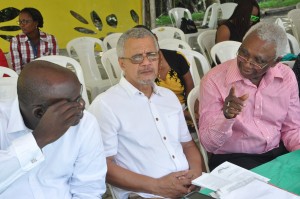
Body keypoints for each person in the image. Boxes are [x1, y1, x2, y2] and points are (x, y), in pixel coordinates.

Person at [88, 27, 202, 199]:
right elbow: (103, 165)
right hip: (145, 194)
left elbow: (187, 144)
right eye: (137, 57)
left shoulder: (169, 97)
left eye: (152, 55)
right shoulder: (106, 105)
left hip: (188, 189)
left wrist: (196, 174)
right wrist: (158, 187)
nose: (146, 62)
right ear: (122, 63)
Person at [199, 22, 300, 171]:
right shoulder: (214, 80)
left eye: (258, 61)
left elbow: (292, 129)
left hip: (278, 151)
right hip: (235, 158)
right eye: (243, 53)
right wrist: (226, 117)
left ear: (275, 62)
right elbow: (209, 144)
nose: (246, 64)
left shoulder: (286, 77)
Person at [0, 60, 107, 198]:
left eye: (79, 95)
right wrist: (38, 139)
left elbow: (89, 189)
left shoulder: (85, 124)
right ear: (39, 113)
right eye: (71, 103)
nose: (82, 104)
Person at [134, 25, 196, 131]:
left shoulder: (177, 57)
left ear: (155, 38)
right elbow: (145, 101)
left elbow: (190, 86)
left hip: (184, 109)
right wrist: (182, 113)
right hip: (156, 113)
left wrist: (191, 109)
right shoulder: (138, 67)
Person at [10, 7, 59, 74]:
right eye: (20, 22)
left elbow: (55, 66)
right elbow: (17, 70)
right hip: (25, 79)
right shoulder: (16, 41)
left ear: (36, 23)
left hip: (47, 77)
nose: (22, 25)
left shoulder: (51, 39)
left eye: (25, 21)